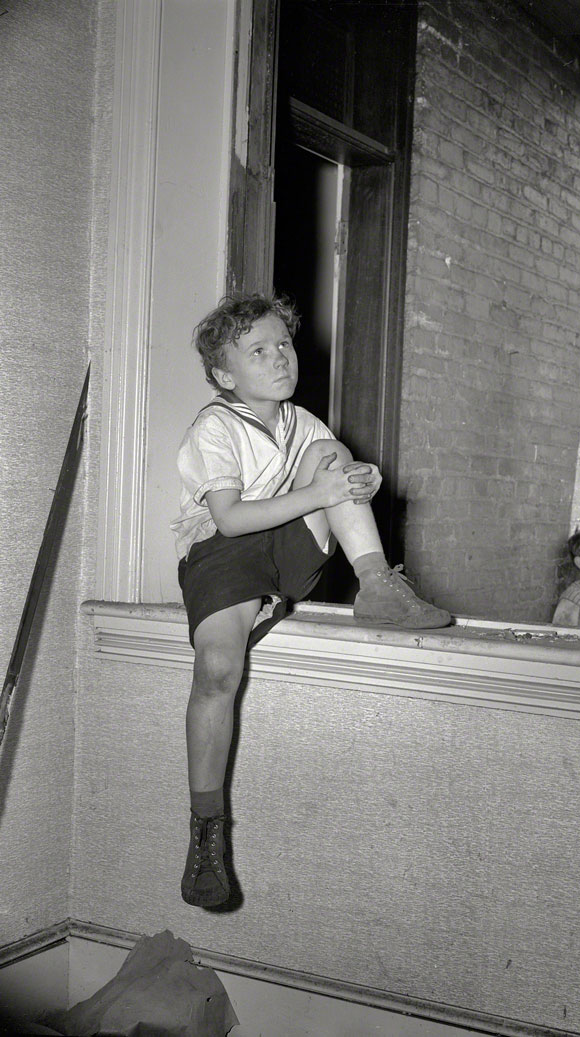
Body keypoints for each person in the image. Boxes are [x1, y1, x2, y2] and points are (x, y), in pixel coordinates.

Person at [170, 291, 451, 908]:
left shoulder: (304, 425)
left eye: (284, 345)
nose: (279, 359)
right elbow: (233, 519)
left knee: (332, 454)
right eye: (258, 351)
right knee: (218, 669)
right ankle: (205, 834)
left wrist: (352, 482)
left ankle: (377, 585)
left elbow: (325, 482)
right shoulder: (214, 426)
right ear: (225, 374)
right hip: (224, 553)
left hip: (284, 552)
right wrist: (322, 493)